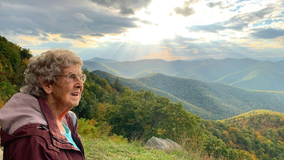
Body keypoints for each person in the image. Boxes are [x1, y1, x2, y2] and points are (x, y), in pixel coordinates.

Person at [0, 49, 86, 160]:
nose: (79, 84)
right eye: (71, 77)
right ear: (47, 84)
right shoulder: (33, 139)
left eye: (81, 77)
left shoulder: (67, 120)